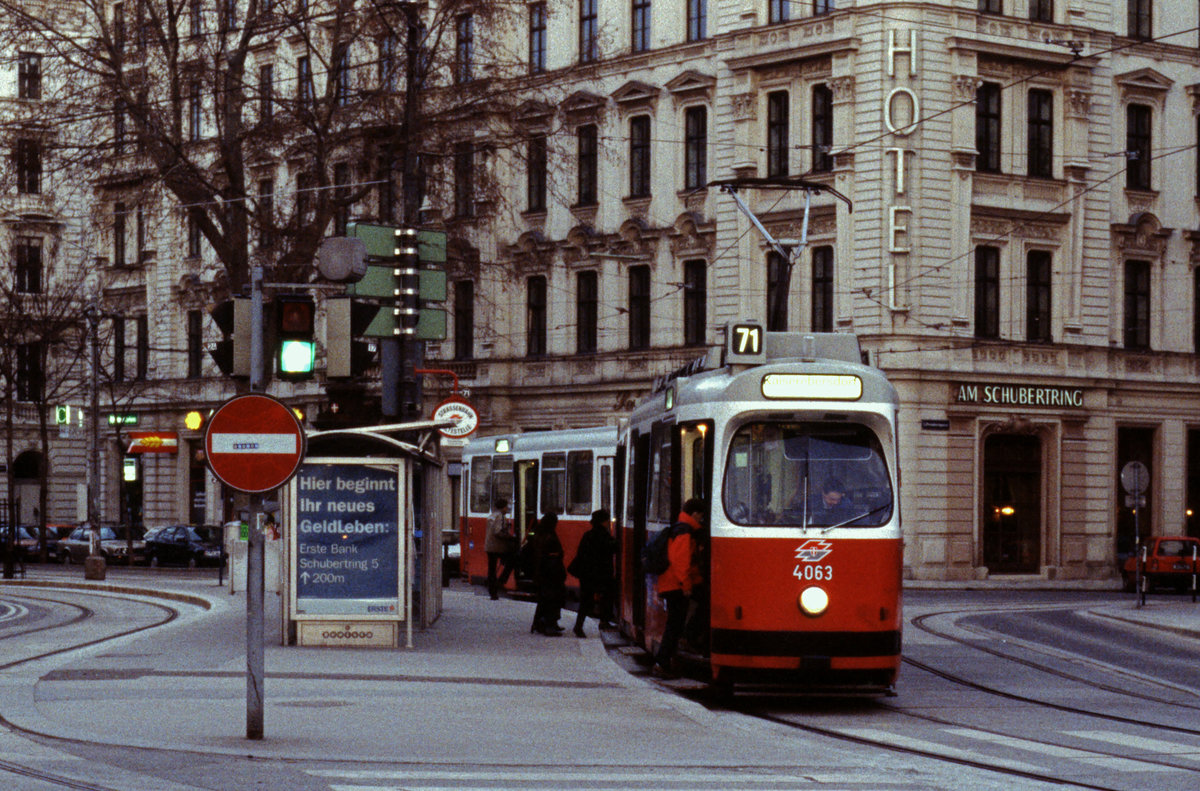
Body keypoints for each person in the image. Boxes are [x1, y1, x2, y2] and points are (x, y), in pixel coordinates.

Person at [652, 498, 706, 678]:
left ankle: (669, 656)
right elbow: (680, 562)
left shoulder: (681, 527)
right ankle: (662, 663)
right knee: (674, 625)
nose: (701, 519)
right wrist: (686, 585)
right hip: (676, 585)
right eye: (700, 515)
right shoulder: (684, 531)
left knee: (675, 623)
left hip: (672, 583)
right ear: (695, 514)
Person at [569, 509, 617, 637]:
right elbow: (612, 548)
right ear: (603, 521)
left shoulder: (587, 535)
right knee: (607, 595)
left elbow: (581, 553)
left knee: (586, 601)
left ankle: (578, 625)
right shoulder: (604, 536)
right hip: (601, 573)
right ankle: (604, 620)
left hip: (586, 574)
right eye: (607, 520)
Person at [530, 512, 567, 635]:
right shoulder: (550, 536)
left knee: (544, 599)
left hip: (541, 572)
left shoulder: (538, 534)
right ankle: (549, 625)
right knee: (553, 599)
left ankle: (540, 623)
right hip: (551, 573)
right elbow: (554, 552)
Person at [484, 497, 518, 599]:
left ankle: (492, 592)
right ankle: (501, 581)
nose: (507, 508)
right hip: (498, 547)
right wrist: (510, 537)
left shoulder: (492, 516)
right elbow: (498, 531)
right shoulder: (501, 517)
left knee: (492, 570)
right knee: (513, 560)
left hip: (489, 547)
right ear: (503, 507)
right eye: (506, 506)